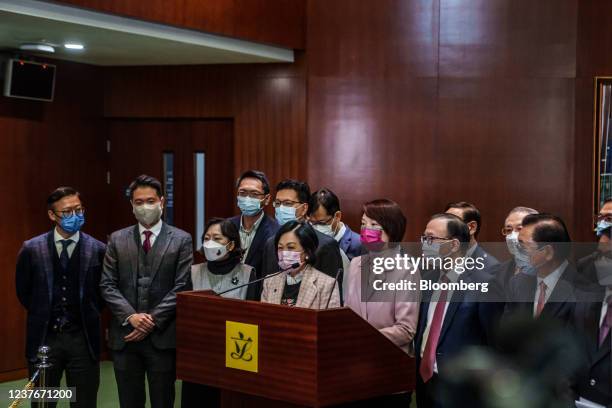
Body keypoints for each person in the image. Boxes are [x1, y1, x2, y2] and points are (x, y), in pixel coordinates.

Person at [100, 175, 193, 408]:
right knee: (129, 401)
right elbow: (107, 285)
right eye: (139, 202)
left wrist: (150, 321)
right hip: (125, 337)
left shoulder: (181, 239)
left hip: (162, 338)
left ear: (161, 201)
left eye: (150, 201)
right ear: (132, 205)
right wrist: (131, 317)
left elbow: (182, 285)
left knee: (163, 400)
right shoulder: (117, 239)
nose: (145, 207)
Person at [15, 187, 106, 408]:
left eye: (79, 209)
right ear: (52, 215)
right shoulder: (31, 249)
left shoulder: (98, 249)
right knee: (44, 402)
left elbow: (102, 294)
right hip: (45, 339)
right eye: (67, 212)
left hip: (83, 339)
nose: (75, 216)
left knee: (84, 401)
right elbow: (24, 292)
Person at [415, 213, 503, 408]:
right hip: (425, 382)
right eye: (423, 238)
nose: (424, 245)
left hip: (462, 390)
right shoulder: (428, 277)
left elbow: (494, 343)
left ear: (454, 245)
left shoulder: (484, 283)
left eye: (431, 239)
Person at [344, 199, 418, 406]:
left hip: (389, 370)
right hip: (355, 370)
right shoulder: (356, 264)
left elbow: (405, 329)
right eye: (363, 223)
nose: (367, 229)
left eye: (374, 225)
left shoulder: (406, 270)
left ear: (391, 229)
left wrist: (363, 340)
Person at [182, 217, 256, 408]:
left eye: (217, 238)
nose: (209, 243)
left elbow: (253, 318)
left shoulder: (249, 273)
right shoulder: (193, 272)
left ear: (231, 244)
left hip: (235, 355)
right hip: (199, 356)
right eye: (206, 238)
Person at [260, 179, 343, 287]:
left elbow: (332, 293)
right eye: (278, 203)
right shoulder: (271, 243)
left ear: (304, 208)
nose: (281, 208)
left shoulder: (325, 245)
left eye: (287, 203)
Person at [503, 213, 577, 324]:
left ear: (548, 252)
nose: (516, 251)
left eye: (522, 246)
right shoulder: (517, 283)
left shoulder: (582, 289)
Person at [260, 220, 340, 309]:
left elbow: (330, 322)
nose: (284, 253)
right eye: (280, 248)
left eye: (290, 247)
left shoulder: (327, 285)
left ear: (307, 252)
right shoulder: (269, 282)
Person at [308, 188, 362, 296]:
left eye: (322, 223)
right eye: (313, 223)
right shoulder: (309, 240)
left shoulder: (358, 244)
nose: (317, 228)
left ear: (337, 216)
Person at [229, 170, 279, 279]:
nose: (247, 198)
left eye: (254, 194)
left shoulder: (276, 232)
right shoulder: (226, 226)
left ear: (266, 199)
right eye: (242, 193)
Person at [489, 206, 538, 289]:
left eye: (519, 229)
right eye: (508, 230)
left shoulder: (548, 269)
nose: (512, 235)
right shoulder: (499, 272)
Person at [445, 201, 499, 268]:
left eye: (451, 223)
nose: (444, 229)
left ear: (471, 227)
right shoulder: (439, 260)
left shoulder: (490, 267)